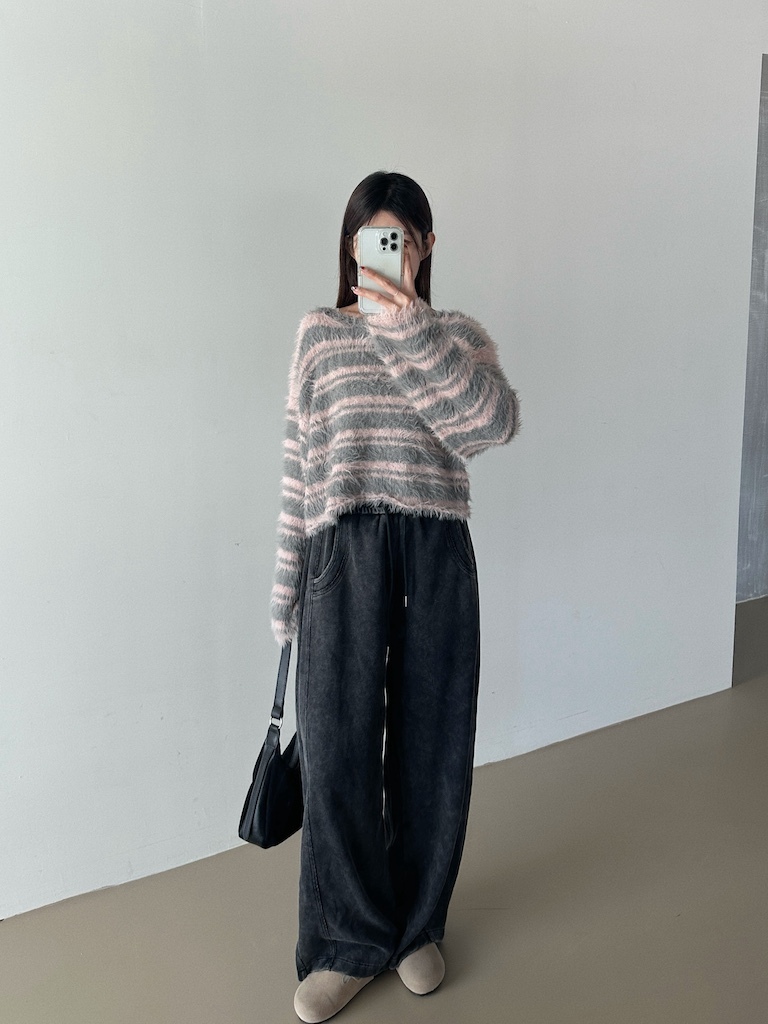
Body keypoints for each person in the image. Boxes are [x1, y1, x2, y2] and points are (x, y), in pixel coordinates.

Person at [269, 170, 521, 1023]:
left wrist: (409, 325)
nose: (382, 255)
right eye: (369, 241)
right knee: (337, 750)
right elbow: (299, 468)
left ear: (425, 246)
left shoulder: (456, 336)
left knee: (433, 746)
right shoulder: (319, 334)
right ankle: (347, 941)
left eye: (399, 240)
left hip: (436, 550)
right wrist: (284, 590)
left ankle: (416, 926)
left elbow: (490, 425)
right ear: (348, 249)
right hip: (341, 552)